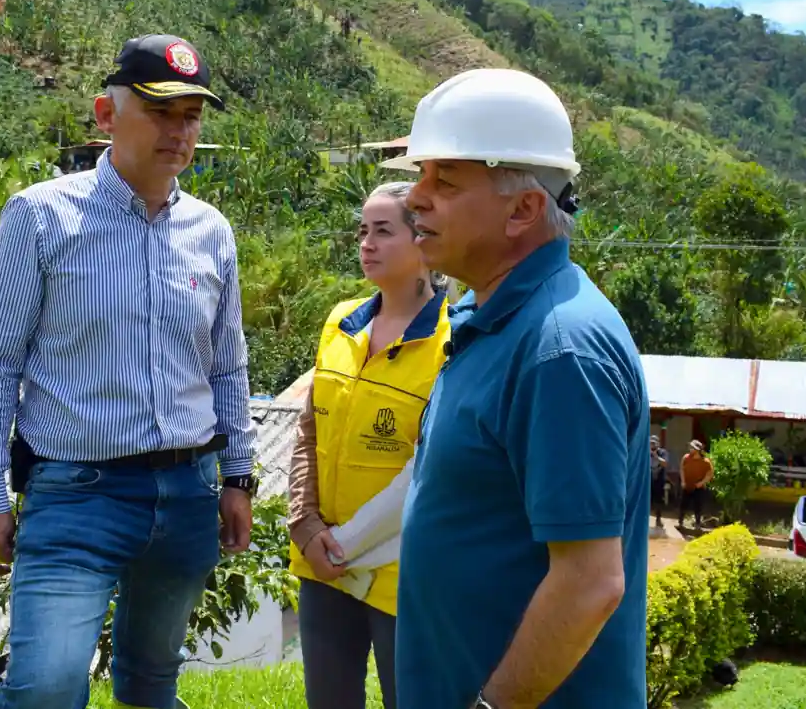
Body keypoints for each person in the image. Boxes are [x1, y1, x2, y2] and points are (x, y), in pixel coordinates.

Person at [0, 33, 259, 709]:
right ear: (104, 113)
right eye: (159, 111)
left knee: (151, 677)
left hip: (187, 492)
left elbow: (227, 366)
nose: (178, 131)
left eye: (190, 115)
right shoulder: (41, 216)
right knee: (46, 686)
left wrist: (237, 475)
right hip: (77, 492)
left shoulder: (212, 231)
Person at [384, 68, 651, 709]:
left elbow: (590, 583)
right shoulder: (489, 316)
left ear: (525, 209)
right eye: (420, 175)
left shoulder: (559, 350)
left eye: (444, 180)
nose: (415, 198)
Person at [287, 181, 451, 709]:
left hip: (405, 571)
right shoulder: (341, 321)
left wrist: (353, 540)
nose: (367, 243)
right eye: (362, 230)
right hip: (323, 561)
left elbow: (436, 465)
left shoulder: (454, 339)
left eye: (384, 231)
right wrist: (306, 524)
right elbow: (309, 429)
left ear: (423, 241)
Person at [679, 440, 714, 529]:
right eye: (690, 447)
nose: (690, 449)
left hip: (698, 487)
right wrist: (683, 481)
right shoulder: (686, 458)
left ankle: (698, 524)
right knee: (683, 505)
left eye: (692, 448)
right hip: (687, 485)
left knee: (698, 506)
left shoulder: (705, 461)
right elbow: (682, 469)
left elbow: (709, 474)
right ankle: (680, 522)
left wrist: (702, 483)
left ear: (697, 450)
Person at [650, 435, 669, 529]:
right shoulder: (646, 452)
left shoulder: (663, 452)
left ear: (658, 444)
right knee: (647, 500)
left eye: (654, 443)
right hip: (648, 479)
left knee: (658, 501)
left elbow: (665, 463)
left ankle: (658, 519)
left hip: (659, 479)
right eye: (650, 443)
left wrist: (656, 456)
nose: (652, 445)